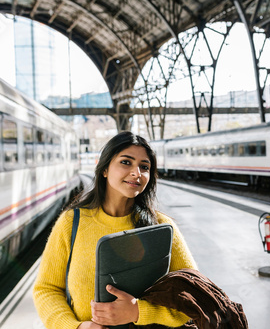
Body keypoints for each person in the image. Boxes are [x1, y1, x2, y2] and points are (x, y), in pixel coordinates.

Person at [33, 132, 198, 329]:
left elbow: (194, 296)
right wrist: (76, 327)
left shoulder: (163, 227)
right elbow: (46, 289)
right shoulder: (71, 223)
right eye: (126, 162)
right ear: (104, 169)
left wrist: (138, 311)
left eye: (144, 167)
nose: (137, 172)